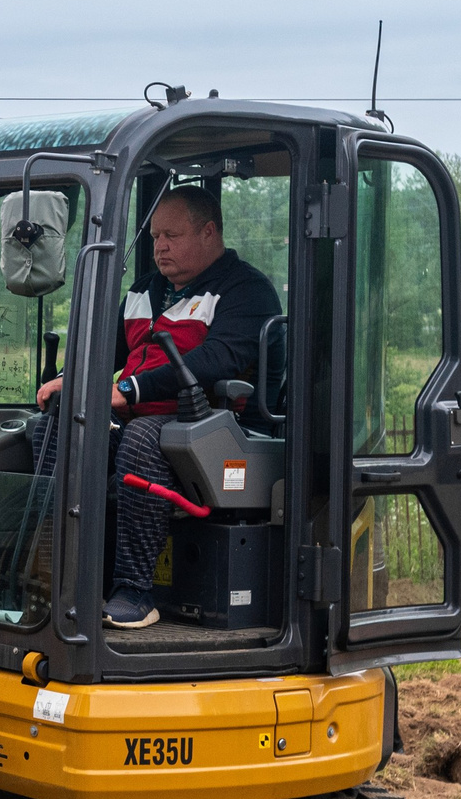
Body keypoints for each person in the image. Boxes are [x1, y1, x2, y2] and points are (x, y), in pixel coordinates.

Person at [33, 185, 281, 628]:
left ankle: (135, 592)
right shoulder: (147, 289)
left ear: (209, 232)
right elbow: (102, 352)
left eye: (172, 235)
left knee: (143, 439)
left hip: (215, 424)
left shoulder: (247, 292)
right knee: (53, 426)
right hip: (144, 411)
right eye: (153, 237)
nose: (160, 246)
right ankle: (55, 573)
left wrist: (130, 390)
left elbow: (214, 360)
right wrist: (67, 380)